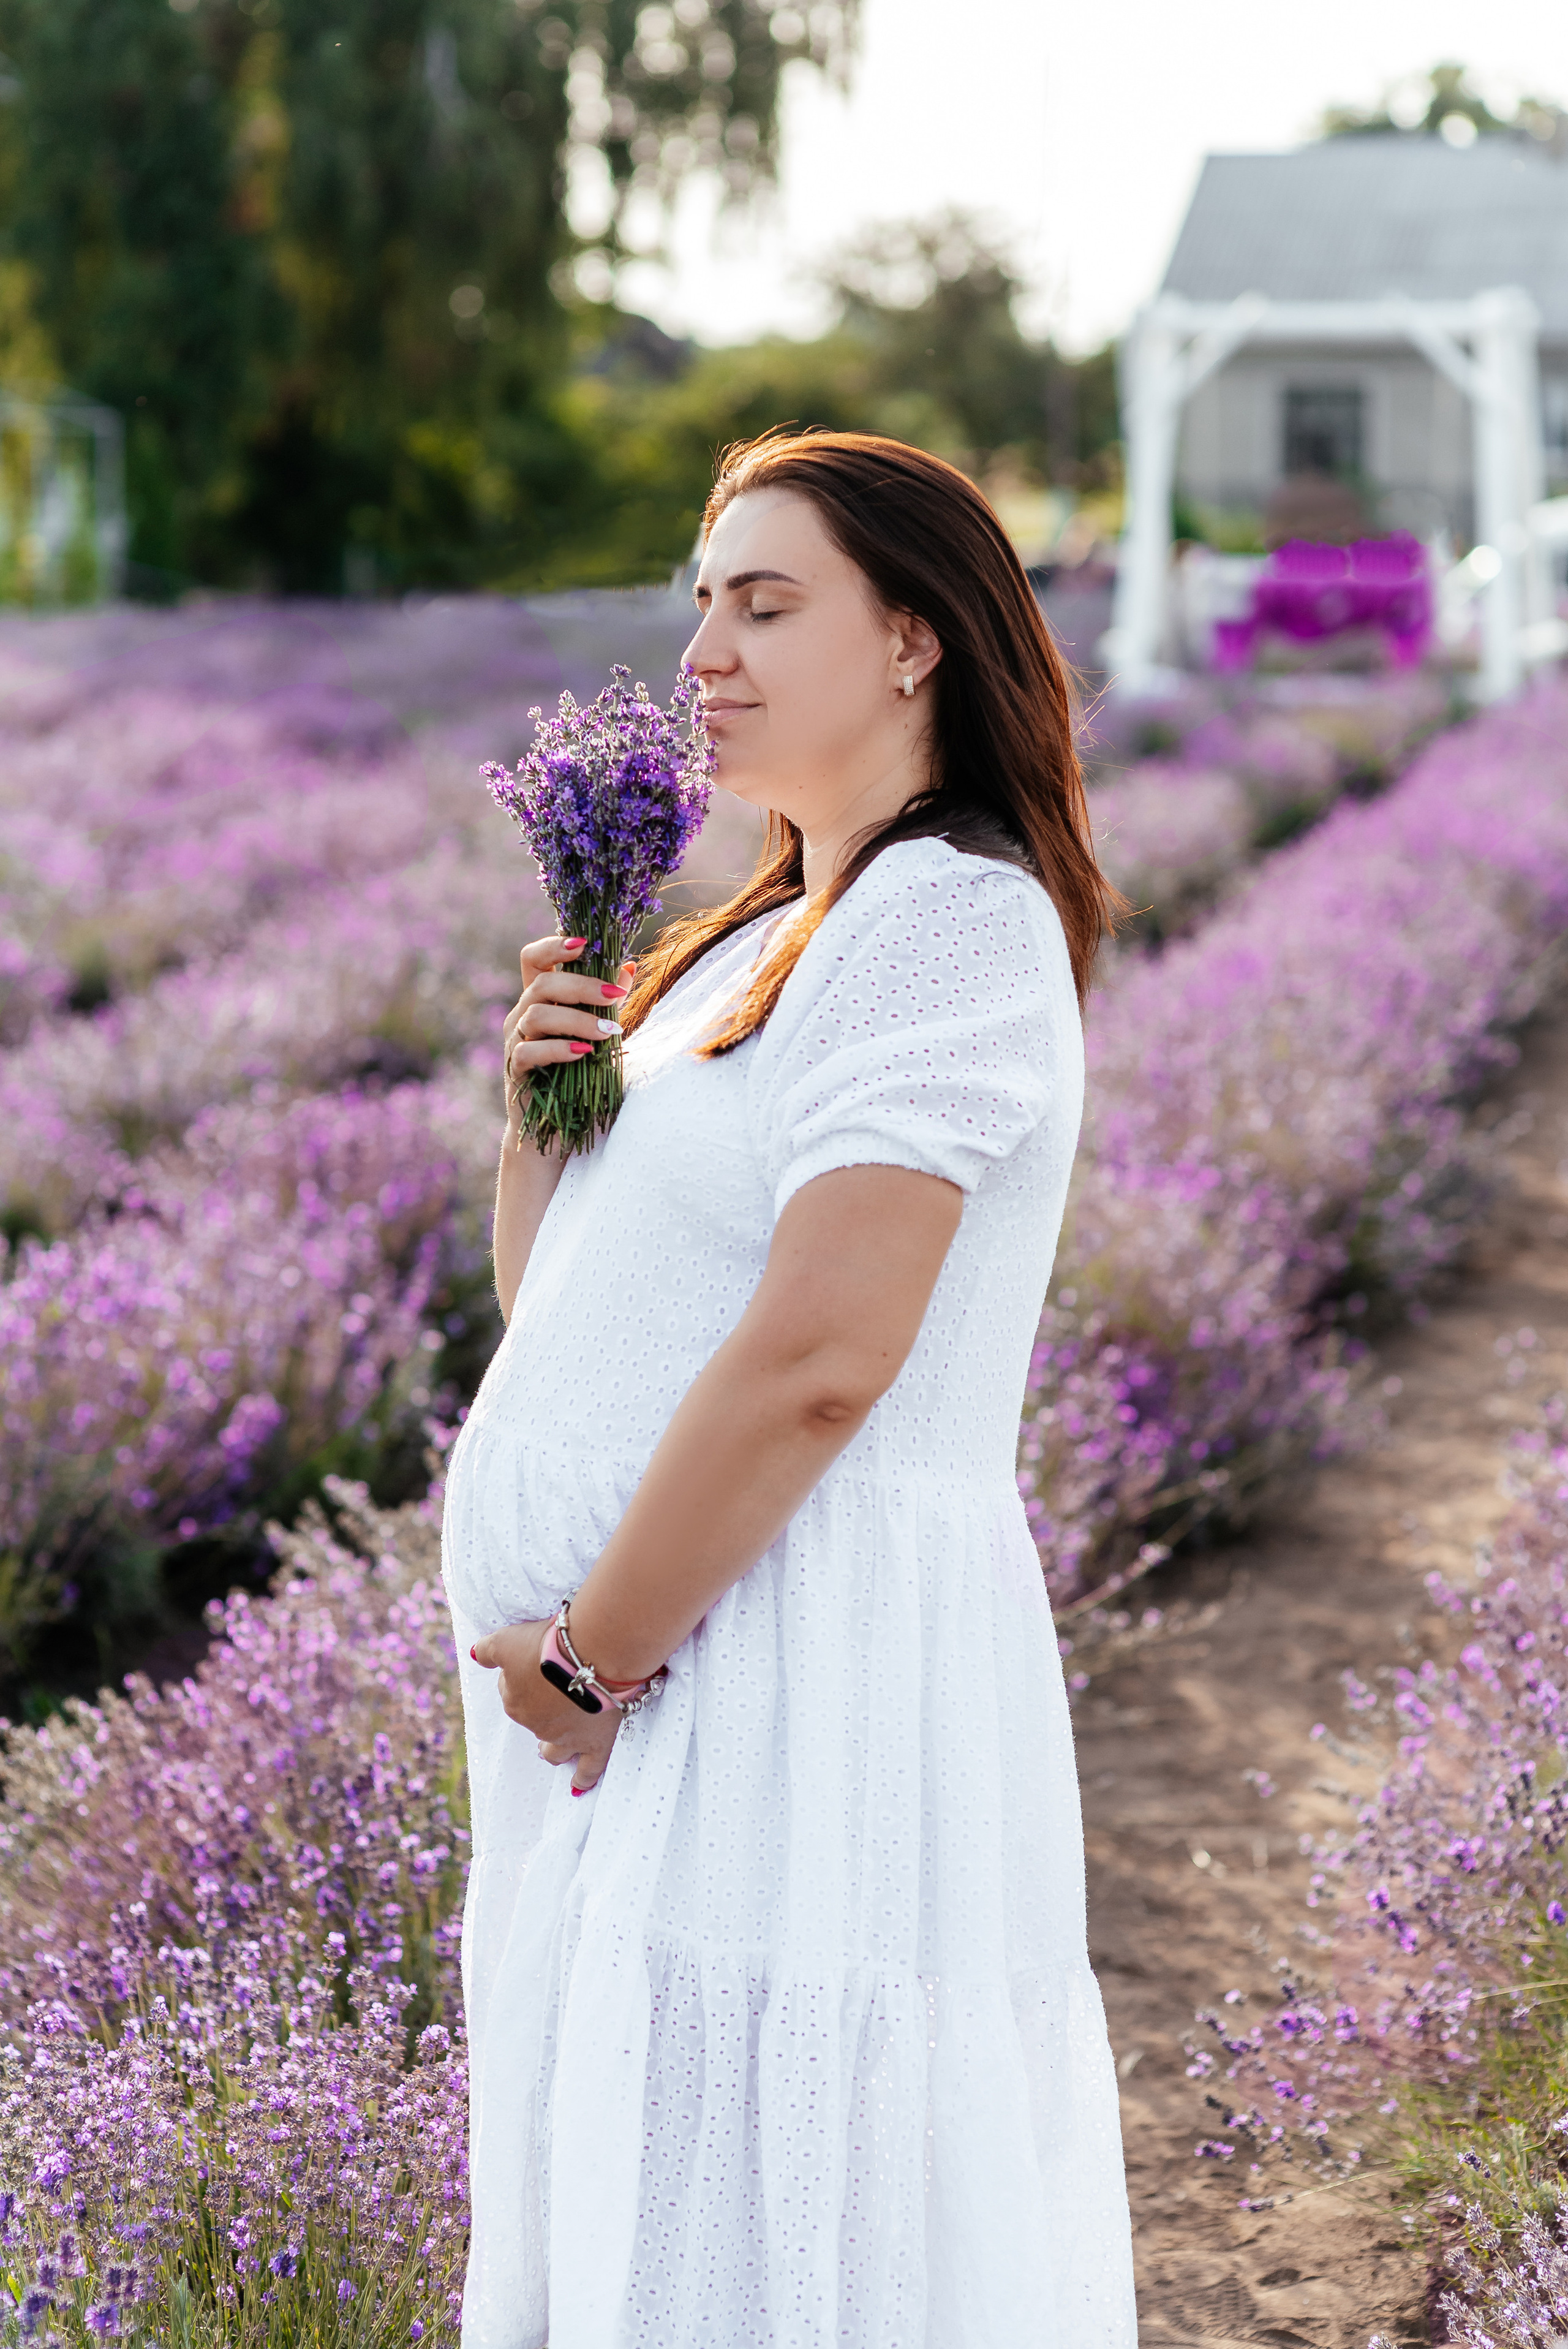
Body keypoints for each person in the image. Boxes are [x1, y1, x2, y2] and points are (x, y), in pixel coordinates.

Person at [442, 429, 1137, 2348]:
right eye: (699, 605)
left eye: (767, 602)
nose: (706, 653)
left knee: (766, 2235)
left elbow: (829, 1356)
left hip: (776, 1664)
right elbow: (570, 1321)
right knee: (652, 2215)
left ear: (914, 640)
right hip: (660, 1683)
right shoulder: (756, 932)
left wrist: (594, 1652)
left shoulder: (946, 919)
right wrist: (541, 1115)